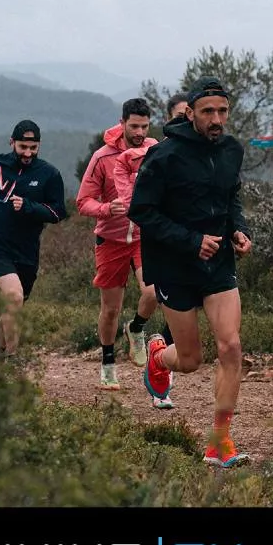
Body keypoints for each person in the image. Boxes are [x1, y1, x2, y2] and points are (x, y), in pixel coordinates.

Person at [128, 76, 253, 468]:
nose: (217, 119)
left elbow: (231, 196)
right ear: (191, 113)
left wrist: (239, 228)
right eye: (208, 112)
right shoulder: (164, 156)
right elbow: (141, 211)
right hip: (175, 265)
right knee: (190, 359)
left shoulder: (232, 150)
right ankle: (157, 358)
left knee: (230, 346)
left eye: (222, 111)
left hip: (218, 265)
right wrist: (191, 240)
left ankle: (219, 441)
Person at [75, 98, 162, 395]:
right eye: (134, 126)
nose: (139, 132)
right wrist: (105, 208)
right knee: (110, 309)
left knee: (153, 291)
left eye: (145, 126)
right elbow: (82, 201)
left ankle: (136, 328)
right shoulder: (102, 157)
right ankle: (108, 364)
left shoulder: (153, 151)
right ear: (122, 122)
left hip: (142, 237)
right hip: (110, 239)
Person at [0, 119, 68, 358]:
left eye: (33, 148)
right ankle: (13, 363)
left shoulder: (49, 174)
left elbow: (58, 212)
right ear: (12, 143)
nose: (28, 153)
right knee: (14, 296)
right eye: (22, 147)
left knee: (14, 304)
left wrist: (29, 207)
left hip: (27, 250)